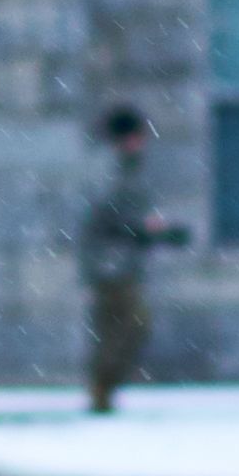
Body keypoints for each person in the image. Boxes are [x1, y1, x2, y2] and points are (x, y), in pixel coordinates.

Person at [81, 101, 173, 411]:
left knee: (117, 328)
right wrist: (143, 228)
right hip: (111, 263)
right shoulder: (112, 169)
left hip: (117, 262)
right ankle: (101, 389)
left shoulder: (124, 167)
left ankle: (102, 391)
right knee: (129, 325)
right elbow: (108, 213)